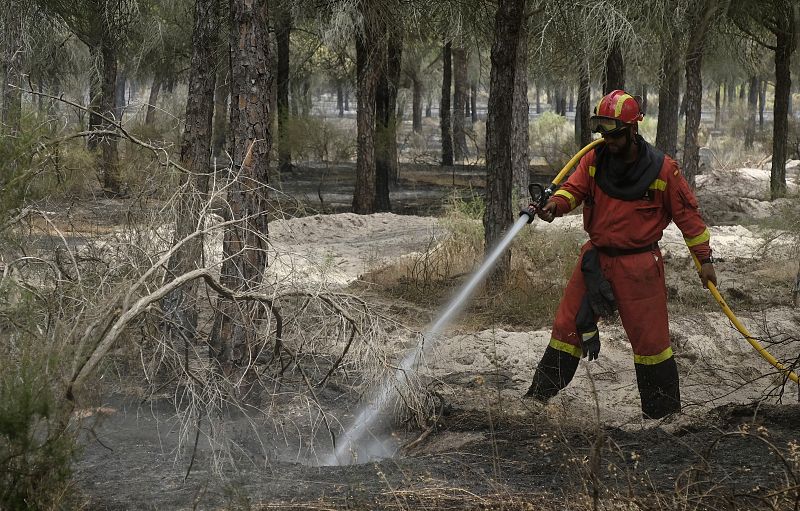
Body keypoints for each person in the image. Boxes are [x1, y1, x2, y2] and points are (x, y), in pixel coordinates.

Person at [525, 89, 717, 419]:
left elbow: (690, 219)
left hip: (640, 267)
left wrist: (705, 260)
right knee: (566, 327)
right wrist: (553, 207)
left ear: (632, 130)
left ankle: (663, 418)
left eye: (614, 135)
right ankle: (535, 402)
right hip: (596, 260)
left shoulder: (663, 171)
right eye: (602, 133)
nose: (607, 142)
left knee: (652, 344)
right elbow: (572, 190)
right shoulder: (595, 160)